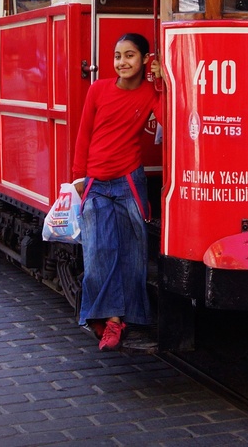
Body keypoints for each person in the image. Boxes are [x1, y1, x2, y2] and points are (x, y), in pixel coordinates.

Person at [71, 33, 161, 351]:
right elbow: (84, 135)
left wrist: (161, 82)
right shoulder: (98, 90)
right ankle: (107, 317)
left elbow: (166, 120)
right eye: (117, 56)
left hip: (128, 181)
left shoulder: (150, 93)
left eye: (130, 56)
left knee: (133, 255)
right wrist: (78, 177)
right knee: (98, 253)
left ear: (145, 60)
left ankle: (118, 322)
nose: (122, 62)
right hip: (96, 182)